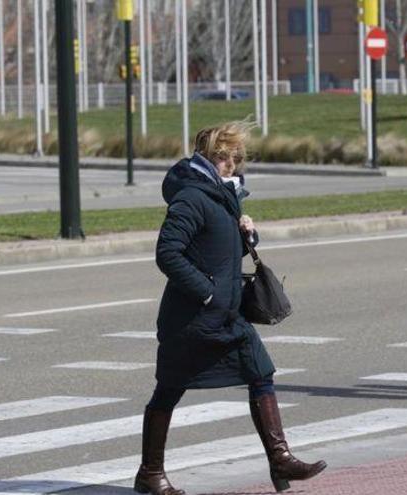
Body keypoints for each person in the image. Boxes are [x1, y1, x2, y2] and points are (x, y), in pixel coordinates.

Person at [135, 121, 327, 495]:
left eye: (236, 158)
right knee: (168, 391)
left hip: (227, 316)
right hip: (190, 320)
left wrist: (247, 236)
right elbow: (167, 254)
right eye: (223, 157)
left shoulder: (224, 196)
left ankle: (280, 458)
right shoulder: (191, 197)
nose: (231, 164)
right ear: (208, 157)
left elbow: (219, 253)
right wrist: (206, 292)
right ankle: (150, 474)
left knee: (261, 373)